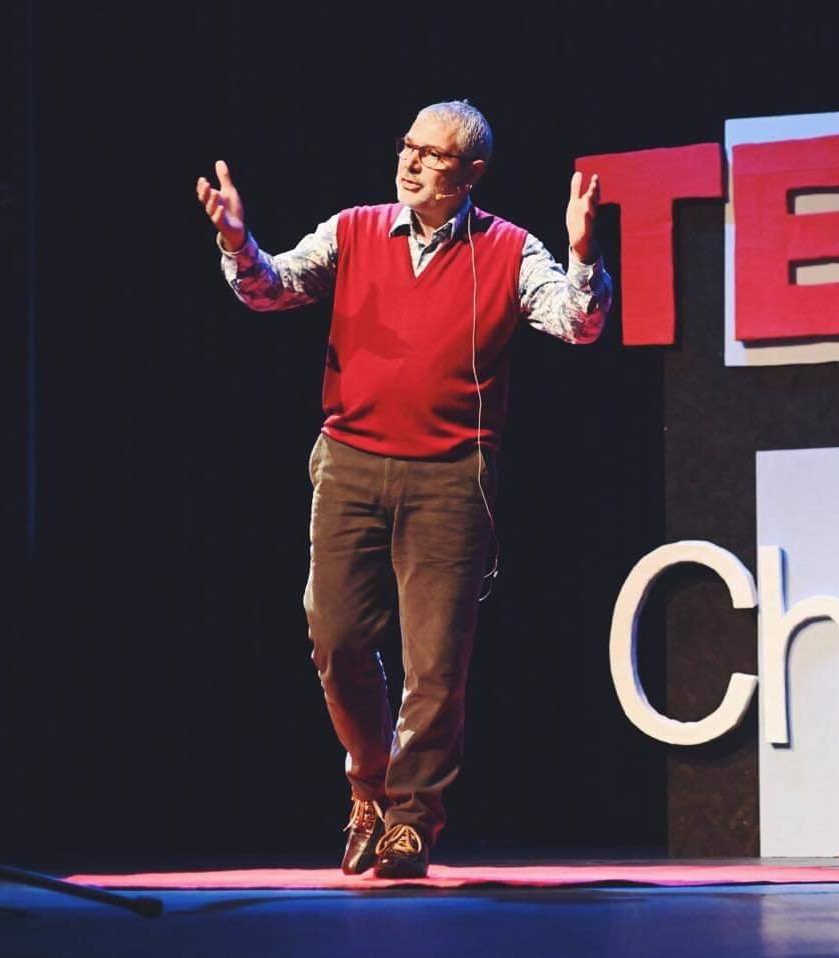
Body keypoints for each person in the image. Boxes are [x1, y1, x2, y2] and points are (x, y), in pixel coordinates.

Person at [195, 100, 610, 878]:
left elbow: (576, 324)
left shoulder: (508, 248)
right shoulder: (353, 230)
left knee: (436, 664)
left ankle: (412, 820)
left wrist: (583, 255)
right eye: (408, 147)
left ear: (472, 173)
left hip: (453, 475)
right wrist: (238, 243)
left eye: (433, 154)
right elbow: (270, 289)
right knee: (335, 636)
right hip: (350, 460)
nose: (412, 163)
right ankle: (369, 783)